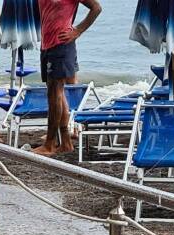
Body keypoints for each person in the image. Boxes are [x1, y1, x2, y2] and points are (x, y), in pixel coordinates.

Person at [33, 0, 102, 156]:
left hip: (61, 45)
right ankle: (66, 142)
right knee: (56, 92)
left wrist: (78, 30)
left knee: (54, 93)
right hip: (46, 45)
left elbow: (96, 8)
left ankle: (49, 144)